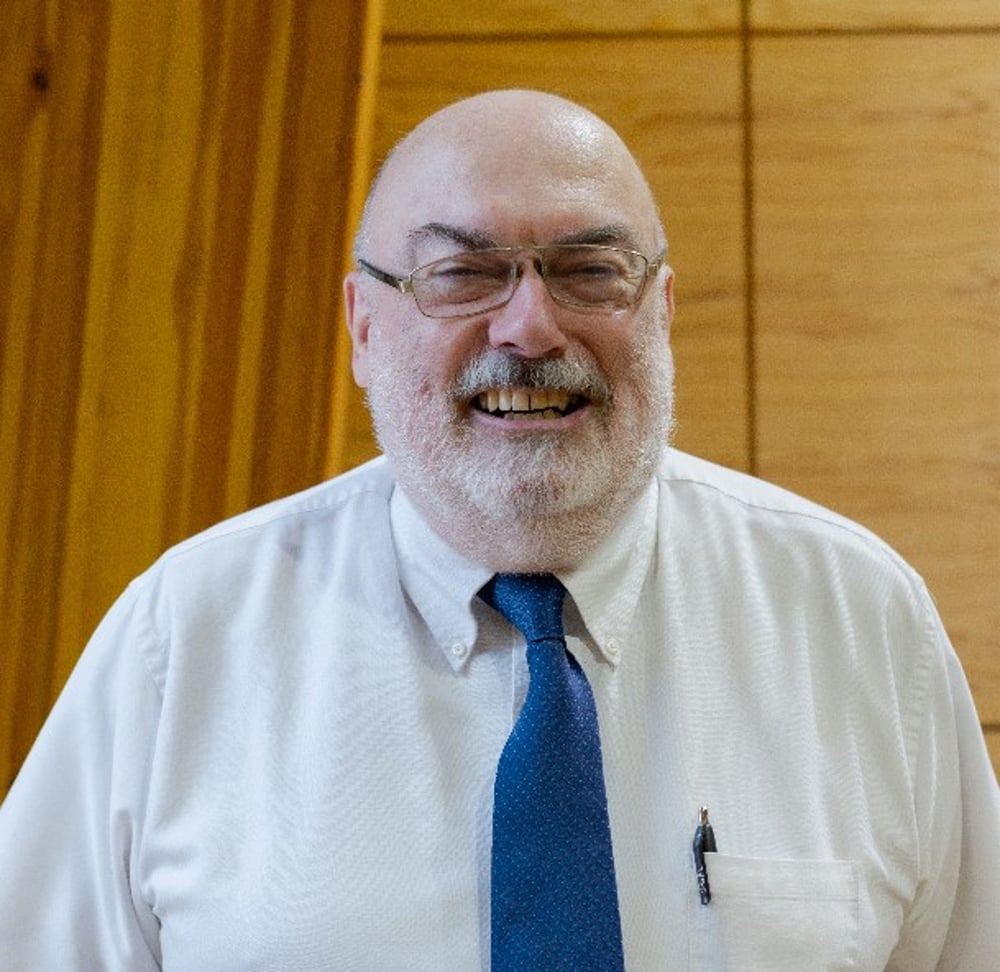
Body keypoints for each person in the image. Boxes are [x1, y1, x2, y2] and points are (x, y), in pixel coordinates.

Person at [0, 89, 997, 970]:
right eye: (464, 273)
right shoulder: (183, 639)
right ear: (361, 327)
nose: (529, 328)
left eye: (589, 270)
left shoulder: (859, 621)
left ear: (661, 308)